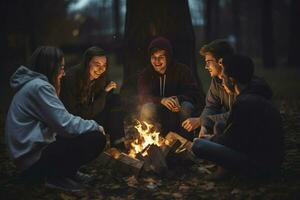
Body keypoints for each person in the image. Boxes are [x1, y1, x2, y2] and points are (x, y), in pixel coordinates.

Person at [5, 46, 106, 192]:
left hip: (28, 157)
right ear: (51, 67)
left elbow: (58, 123)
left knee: (74, 134)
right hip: (33, 162)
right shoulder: (40, 87)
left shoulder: (34, 85)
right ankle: (56, 178)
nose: (63, 73)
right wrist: (95, 126)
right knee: (95, 138)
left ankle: (67, 173)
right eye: (61, 67)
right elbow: (65, 123)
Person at [192, 54, 284, 178]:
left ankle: (227, 172)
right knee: (219, 125)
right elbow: (239, 135)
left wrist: (210, 139)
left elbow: (233, 141)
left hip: (261, 166)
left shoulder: (244, 103)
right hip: (262, 156)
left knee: (198, 144)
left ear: (231, 80)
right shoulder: (254, 93)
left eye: (223, 77)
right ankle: (223, 170)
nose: (222, 82)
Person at [182, 39, 272, 138]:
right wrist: (205, 126)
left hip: (246, 133)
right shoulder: (217, 81)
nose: (206, 67)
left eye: (208, 62)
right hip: (233, 126)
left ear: (220, 61)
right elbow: (211, 106)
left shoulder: (243, 85)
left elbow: (237, 114)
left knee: (213, 130)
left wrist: (203, 121)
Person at [60, 46, 125, 149]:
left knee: (115, 99)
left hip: (92, 115)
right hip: (77, 123)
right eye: (97, 65)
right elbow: (74, 113)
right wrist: (104, 93)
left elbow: (105, 102)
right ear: (87, 63)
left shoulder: (100, 78)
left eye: (104, 65)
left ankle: (118, 143)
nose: (101, 69)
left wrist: (107, 92)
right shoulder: (71, 78)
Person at [138, 36, 201, 140]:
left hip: (177, 111)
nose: (157, 61)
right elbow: (143, 96)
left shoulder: (182, 70)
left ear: (168, 57)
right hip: (158, 112)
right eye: (154, 57)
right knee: (147, 108)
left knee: (187, 107)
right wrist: (161, 100)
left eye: (161, 57)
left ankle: (185, 143)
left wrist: (179, 99)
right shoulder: (146, 74)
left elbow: (194, 93)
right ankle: (151, 143)